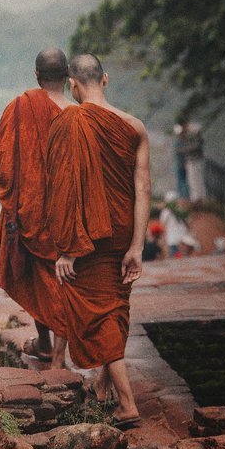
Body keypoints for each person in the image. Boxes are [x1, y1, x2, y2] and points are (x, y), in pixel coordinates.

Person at [46, 54, 151, 429]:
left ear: (72, 84)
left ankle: (127, 404)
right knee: (115, 308)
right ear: (104, 79)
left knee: (100, 315)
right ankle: (104, 388)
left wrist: (66, 248)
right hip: (122, 230)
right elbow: (143, 189)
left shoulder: (69, 122)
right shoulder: (134, 126)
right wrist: (137, 246)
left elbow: (63, 190)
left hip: (88, 238)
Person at [0, 47, 71, 367]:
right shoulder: (78, 115)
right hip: (67, 215)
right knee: (63, 281)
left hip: (30, 212)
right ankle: (53, 349)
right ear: (67, 76)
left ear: (37, 75)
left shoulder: (20, 107)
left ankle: (47, 343)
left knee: (36, 278)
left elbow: (0, 159)